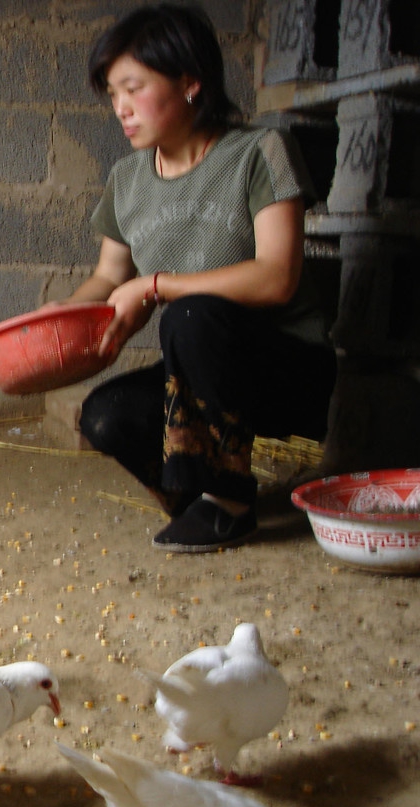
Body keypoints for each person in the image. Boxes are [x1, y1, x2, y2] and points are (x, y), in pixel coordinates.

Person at [67, 4, 337, 552]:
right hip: (199, 376)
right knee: (104, 416)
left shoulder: (259, 153)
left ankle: (231, 501)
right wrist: (56, 329)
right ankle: (197, 498)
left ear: (191, 83)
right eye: (113, 95)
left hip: (285, 370)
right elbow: (107, 279)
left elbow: (277, 277)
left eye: (133, 88)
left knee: (191, 314)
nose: (121, 109)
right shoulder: (127, 180)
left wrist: (157, 286)